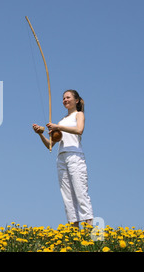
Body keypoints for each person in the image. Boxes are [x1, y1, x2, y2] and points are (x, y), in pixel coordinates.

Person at [32, 89, 94, 228]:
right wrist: (40, 134)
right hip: (61, 157)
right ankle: (73, 232)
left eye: (68, 97)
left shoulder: (79, 114)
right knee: (67, 195)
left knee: (80, 191)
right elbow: (50, 145)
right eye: (63, 98)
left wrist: (58, 127)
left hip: (74, 155)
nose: (65, 100)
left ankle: (90, 230)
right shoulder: (61, 121)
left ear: (76, 100)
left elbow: (79, 130)